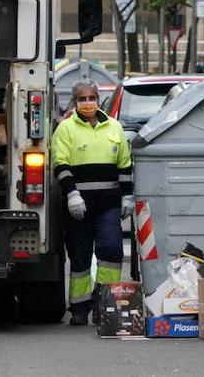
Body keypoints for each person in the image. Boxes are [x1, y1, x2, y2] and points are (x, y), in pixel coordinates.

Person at [51, 81, 134, 326]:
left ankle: (105, 304)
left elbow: (125, 166)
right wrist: (71, 195)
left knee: (111, 251)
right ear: (75, 102)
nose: (87, 103)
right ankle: (79, 309)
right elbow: (61, 164)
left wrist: (127, 196)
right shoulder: (65, 129)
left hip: (108, 205)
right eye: (82, 98)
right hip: (78, 206)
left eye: (91, 97)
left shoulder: (114, 127)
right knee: (80, 258)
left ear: (98, 99)